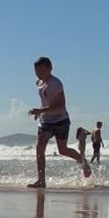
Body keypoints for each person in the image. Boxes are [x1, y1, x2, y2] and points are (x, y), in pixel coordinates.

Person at [27, 56, 91, 188]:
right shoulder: (38, 82)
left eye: (42, 71)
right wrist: (41, 112)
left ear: (50, 68)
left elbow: (60, 106)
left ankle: (83, 162)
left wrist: (40, 110)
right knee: (40, 148)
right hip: (45, 121)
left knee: (63, 150)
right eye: (37, 71)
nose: (39, 74)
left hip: (60, 120)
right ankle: (41, 180)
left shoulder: (56, 83)